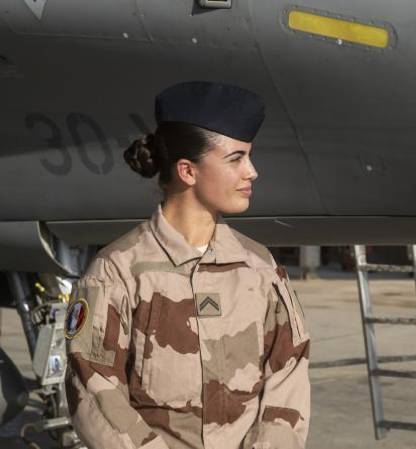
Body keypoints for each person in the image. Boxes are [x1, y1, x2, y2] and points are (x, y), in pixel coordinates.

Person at [64, 81, 311, 449]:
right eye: (236, 159)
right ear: (188, 171)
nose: (252, 171)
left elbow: (289, 370)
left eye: (249, 157)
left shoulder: (259, 268)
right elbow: (93, 387)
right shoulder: (116, 272)